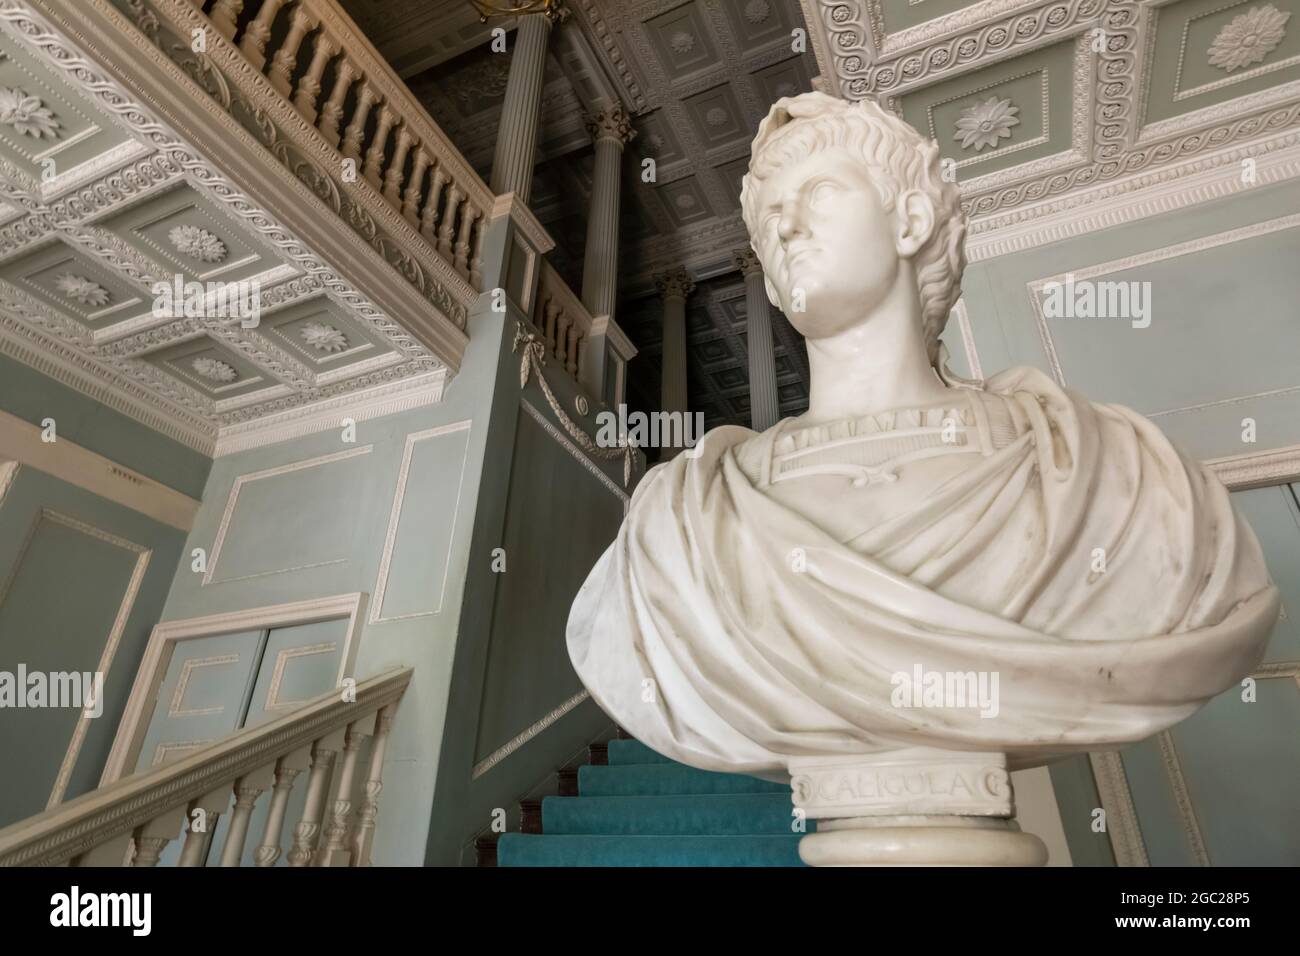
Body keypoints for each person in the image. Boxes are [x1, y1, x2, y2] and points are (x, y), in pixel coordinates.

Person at [567, 92, 1279, 778]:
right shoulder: (682, 515)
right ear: (774, 291)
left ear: (908, 222)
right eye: (771, 217)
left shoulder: (1117, 474)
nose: (785, 230)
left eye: (817, 194)